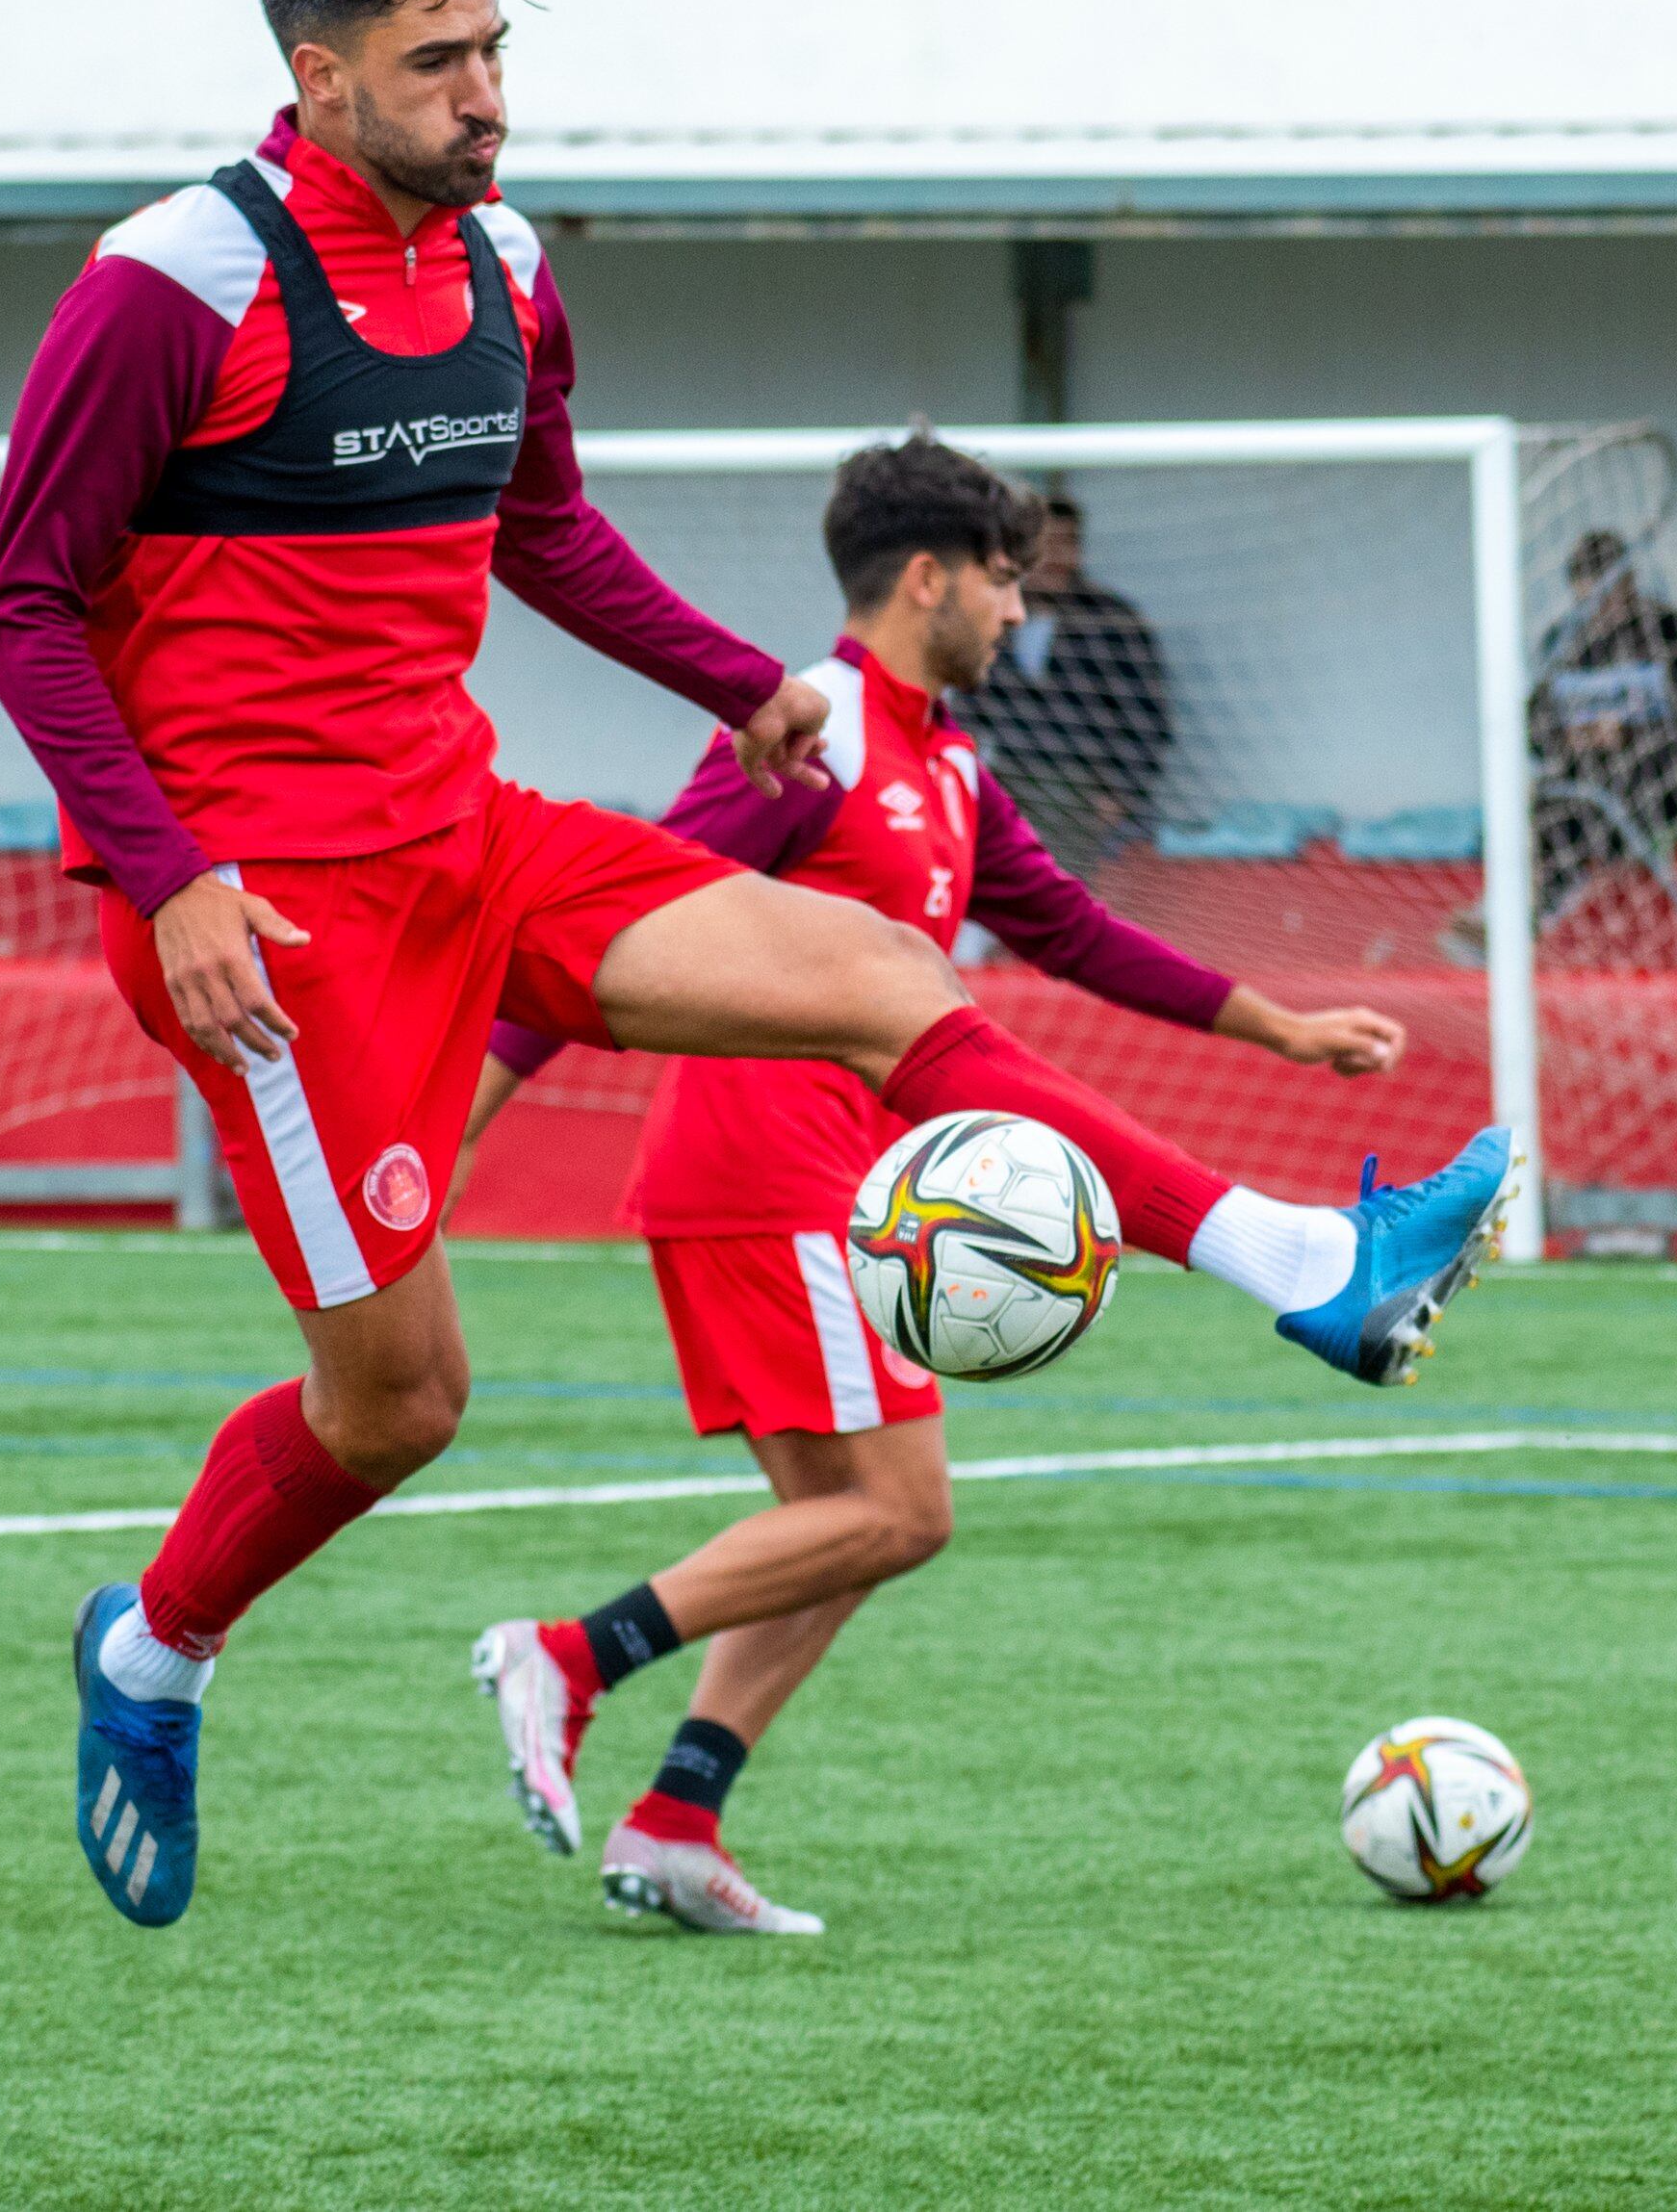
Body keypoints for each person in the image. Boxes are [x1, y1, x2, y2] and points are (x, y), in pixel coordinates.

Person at [0, 0, 1511, 1932]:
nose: (485, 94)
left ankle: (1304, 1265)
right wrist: (166, 881)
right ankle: (153, 1648)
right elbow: (25, 610)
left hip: (475, 837)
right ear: (315, 73)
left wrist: (739, 683)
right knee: (401, 1404)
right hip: (272, 927)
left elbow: (542, 531)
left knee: (883, 967)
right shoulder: (175, 278)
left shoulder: (505, 259)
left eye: (496, 48)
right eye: (436, 62)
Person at [456, 444, 1406, 1933]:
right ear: (928, 579)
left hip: (834, 1184)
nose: (1022, 610)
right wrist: (468, 1109)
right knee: (898, 1513)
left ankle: (674, 1819)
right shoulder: (810, 733)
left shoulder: (950, 762)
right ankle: (567, 1655)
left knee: (845, 1526)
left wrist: (1272, 1023)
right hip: (761, 1165)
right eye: (1008, 577)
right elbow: (611, 914)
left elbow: (1070, 926)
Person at [951, 488, 1171, 874]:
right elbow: (969, 705)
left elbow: (1146, 717)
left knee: (1056, 884)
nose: (1056, 556)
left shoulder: (1113, 622)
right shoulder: (994, 618)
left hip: (1078, 785)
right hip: (1007, 777)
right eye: (1045, 545)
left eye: (1067, 543)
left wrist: (1120, 794)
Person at [1527, 527, 1677, 921]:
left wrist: (1629, 732)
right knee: (1544, 804)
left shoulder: (1668, 631)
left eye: (1609, 597)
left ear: (1628, 583)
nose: (1600, 611)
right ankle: (1527, 915)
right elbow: (1534, 730)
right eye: (1589, 600)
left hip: (1657, 781)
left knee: (1599, 801)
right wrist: (1572, 736)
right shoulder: (1563, 640)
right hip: (1583, 781)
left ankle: (1544, 911)